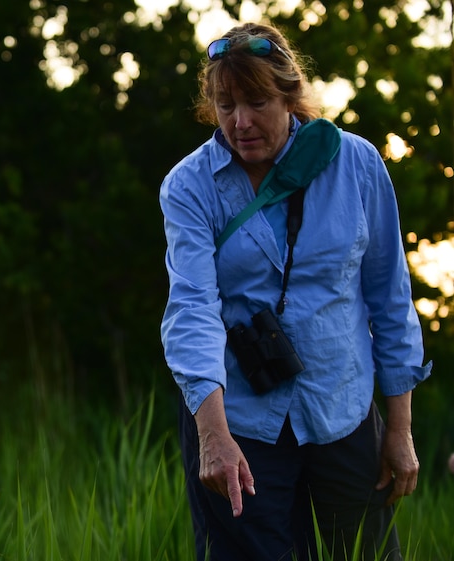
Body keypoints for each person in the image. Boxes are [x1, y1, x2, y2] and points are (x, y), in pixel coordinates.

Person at [159, 23, 431, 561]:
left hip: (343, 409)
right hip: (237, 419)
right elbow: (192, 308)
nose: (240, 122)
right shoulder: (189, 186)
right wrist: (213, 436)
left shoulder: (356, 164)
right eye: (225, 104)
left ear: (290, 94)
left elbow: (390, 298)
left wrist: (398, 429)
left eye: (257, 101)